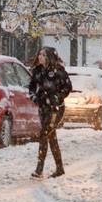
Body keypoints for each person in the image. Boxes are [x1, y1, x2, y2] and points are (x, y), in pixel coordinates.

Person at [29, 47, 72, 179]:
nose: (40, 57)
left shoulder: (58, 71)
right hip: (43, 108)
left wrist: (56, 98)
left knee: (44, 134)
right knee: (51, 137)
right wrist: (34, 97)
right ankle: (59, 168)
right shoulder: (37, 71)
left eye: (43, 55)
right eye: (39, 54)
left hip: (55, 109)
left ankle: (39, 169)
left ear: (49, 57)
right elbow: (31, 87)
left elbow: (68, 87)